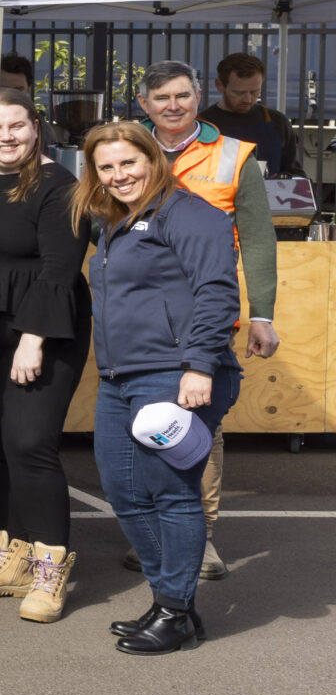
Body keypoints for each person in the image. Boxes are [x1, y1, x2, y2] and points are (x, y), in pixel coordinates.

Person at [77, 123, 241, 654]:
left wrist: (200, 366)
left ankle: (173, 611)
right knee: (124, 493)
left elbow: (217, 292)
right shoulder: (115, 222)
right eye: (106, 167)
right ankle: (174, 604)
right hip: (120, 377)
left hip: (176, 373)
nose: (118, 175)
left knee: (170, 491)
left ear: (153, 159)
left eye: (129, 162)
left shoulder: (190, 214)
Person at [0, 90, 90, 622]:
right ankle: (11, 559)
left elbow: (60, 267)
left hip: (40, 331)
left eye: (17, 126)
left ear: (35, 128)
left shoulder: (59, 185)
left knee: (30, 444)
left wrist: (33, 337)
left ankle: (50, 570)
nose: (6, 137)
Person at [138, 58, 278, 582]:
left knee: (200, 424)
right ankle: (158, 535)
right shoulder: (128, 147)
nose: (173, 106)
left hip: (207, 310)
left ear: (200, 97)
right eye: (161, 98)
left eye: (183, 95)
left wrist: (262, 314)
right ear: (144, 104)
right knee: (144, 419)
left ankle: (202, 538)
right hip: (141, 313)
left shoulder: (234, 155)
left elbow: (259, 239)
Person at [204, 52, 302, 178]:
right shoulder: (202, 125)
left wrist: (282, 179)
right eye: (239, 93)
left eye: (255, 92)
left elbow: (295, 174)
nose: (248, 99)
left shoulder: (277, 122)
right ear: (220, 85)